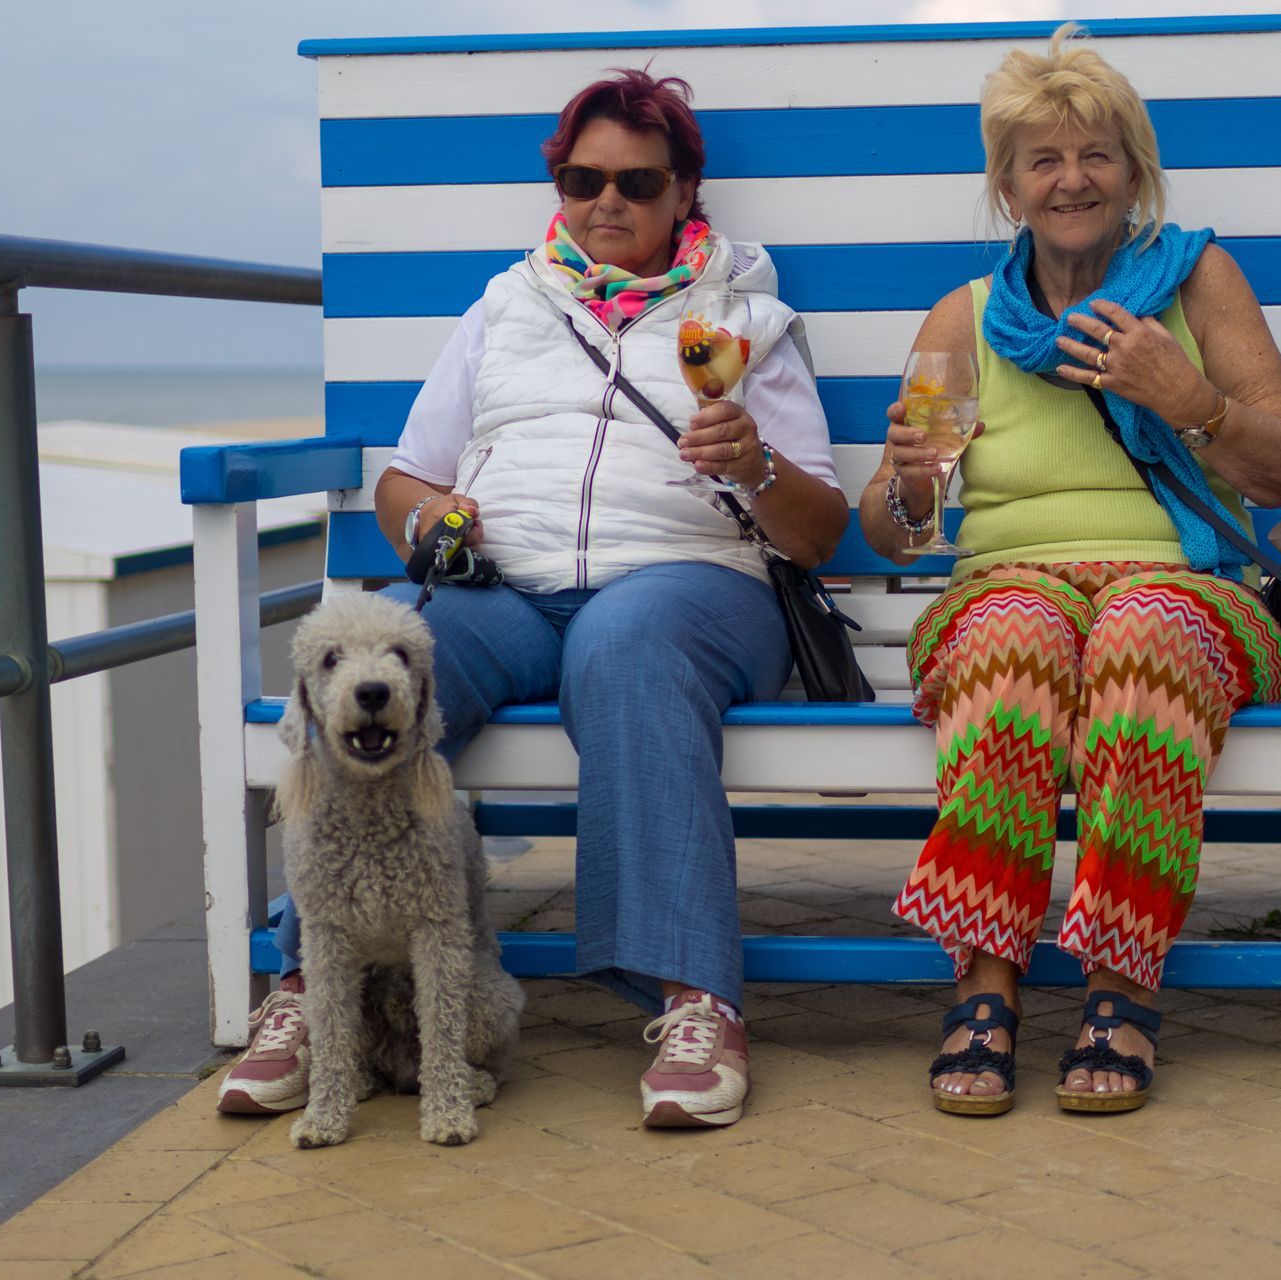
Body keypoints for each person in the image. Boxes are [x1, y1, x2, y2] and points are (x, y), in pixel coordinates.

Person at [218, 68, 847, 1130]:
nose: (606, 202)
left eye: (637, 182)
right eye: (581, 180)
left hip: (688, 585)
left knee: (626, 646)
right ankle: (306, 979)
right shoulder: (506, 307)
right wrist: (434, 521)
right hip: (507, 584)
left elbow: (819, 532)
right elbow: (404, 479)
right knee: (385, 659)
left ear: (683, 191)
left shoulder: (745, 320)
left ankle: (697, 1000)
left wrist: (756, 466)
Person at [859, 25, 1281, 1116]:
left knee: (1141, 635)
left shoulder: (1197, 283)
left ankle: (1122, 983)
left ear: (1134, 171)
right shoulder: (966, 319)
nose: (1072, 180)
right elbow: (895, 533)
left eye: (1095, 154)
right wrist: (912, 481)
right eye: (1044, 160)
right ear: (1008, 187)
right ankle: (986, 985)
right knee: (1014, 640)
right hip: (1006, 585)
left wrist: (1191, 400)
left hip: (1189, 588)